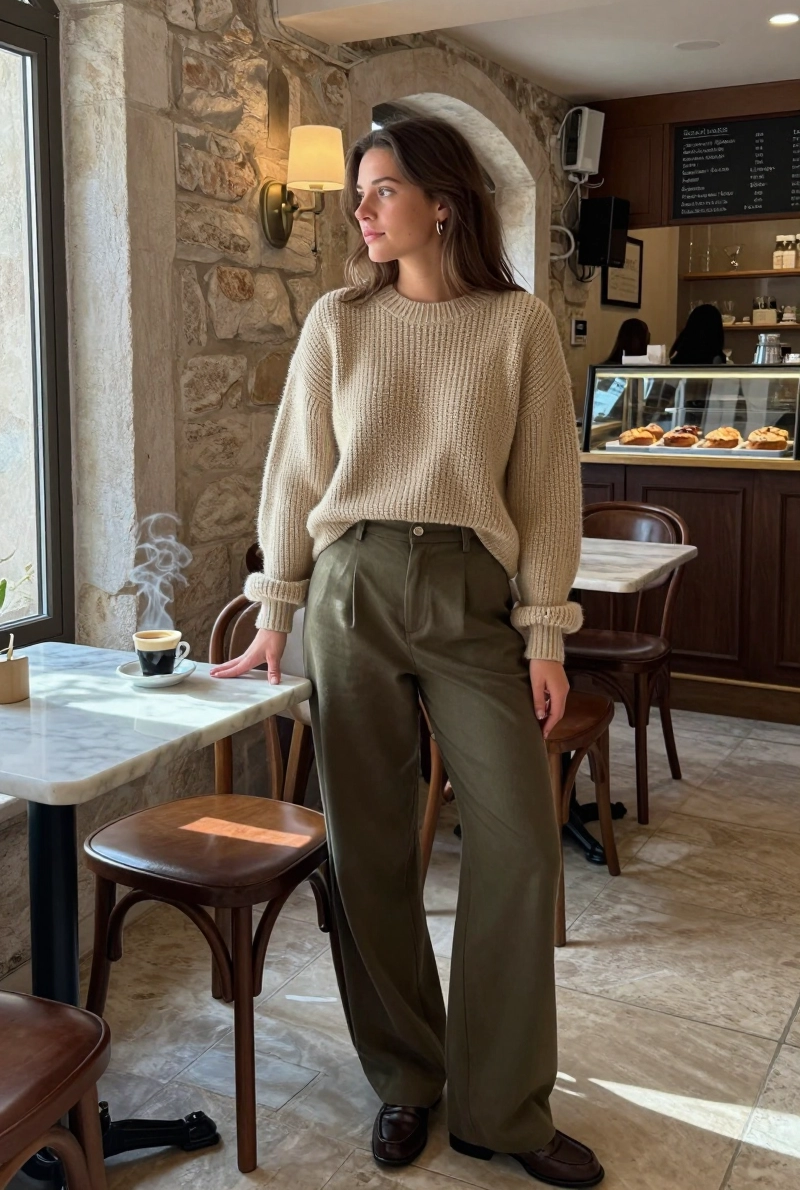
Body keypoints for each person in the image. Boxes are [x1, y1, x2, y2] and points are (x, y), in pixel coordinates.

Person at [211, 116, 603, 1187]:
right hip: (354, 587)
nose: (363, 209)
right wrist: (274, 611)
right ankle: (405, 1075)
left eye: (383, 188)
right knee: (368, 848)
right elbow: (297, 472)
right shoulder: (338, 321)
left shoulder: (517, 325)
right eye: (361, 191)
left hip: (473, 594)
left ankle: (502, 1107)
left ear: (443, 201)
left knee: (520, 843)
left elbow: (546, 489)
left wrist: (545, 632)